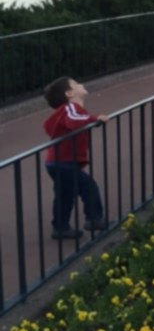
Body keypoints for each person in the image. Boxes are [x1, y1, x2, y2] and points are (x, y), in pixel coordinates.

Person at [43, 77, 109, 240]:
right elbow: (73, 121)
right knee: (88, 186)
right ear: (69, 93)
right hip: (63, 162)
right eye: (76, 84)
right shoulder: (70, 108)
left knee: (65, 194)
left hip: (58, 161)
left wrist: (89, 119)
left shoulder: (74, 109)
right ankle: (94, 219)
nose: (81, 84)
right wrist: (95, 119)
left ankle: (60, 227)